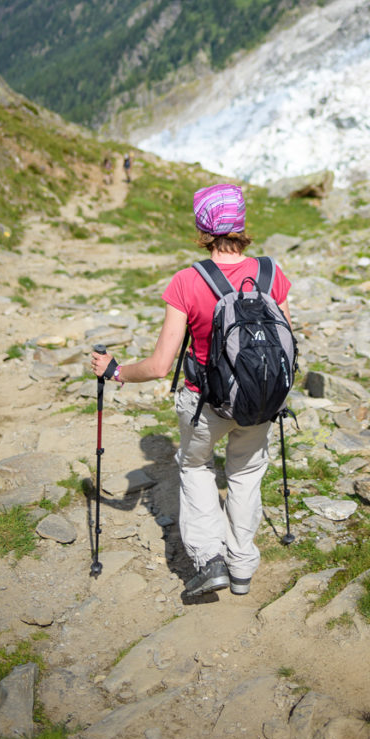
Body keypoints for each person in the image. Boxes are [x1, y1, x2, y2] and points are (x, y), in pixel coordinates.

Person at [91, 183, 292, 598]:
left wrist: (117, 371)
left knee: (196, 466)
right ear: (241, 222)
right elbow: (288, 344)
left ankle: (209, 559)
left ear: (202, 226)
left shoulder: (187, 281)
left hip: (206, 402)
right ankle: (241, 565)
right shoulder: (272, 274)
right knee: (247, 472)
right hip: (260, 402)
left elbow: (161, 365)